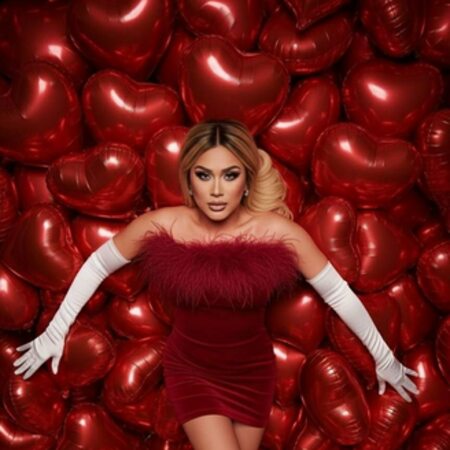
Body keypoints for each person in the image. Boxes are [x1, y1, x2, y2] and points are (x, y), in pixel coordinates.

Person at [13, 119, 420, 450]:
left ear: (247, 180)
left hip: (253, 372)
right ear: (188, 179)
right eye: (204, 175)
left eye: (230, 175)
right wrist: (55, 330)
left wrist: (383, 357)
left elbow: (338, 294)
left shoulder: (279, 233)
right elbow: (98, 264)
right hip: (191, 370)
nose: (217, 190)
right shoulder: (163, 225)